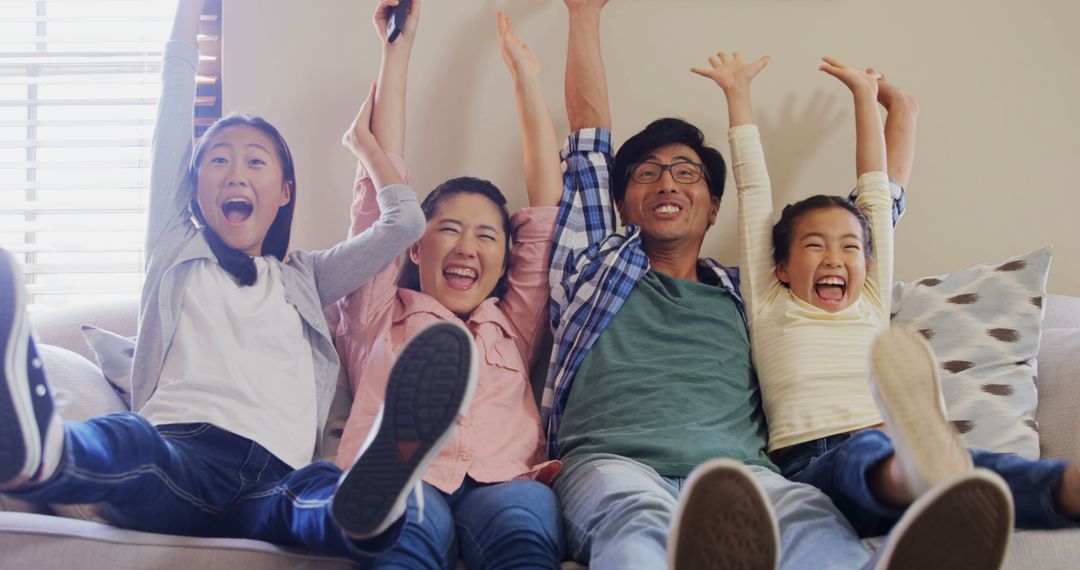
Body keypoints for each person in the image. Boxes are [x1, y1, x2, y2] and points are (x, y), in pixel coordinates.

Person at [0, 0, 476, 562]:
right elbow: (175, 101)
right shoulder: (175, 248)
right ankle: (46, 450)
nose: (235, 171)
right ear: (195, 188)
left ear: (284, 191)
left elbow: (405, 223)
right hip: (185, 450)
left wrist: (367, 146)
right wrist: (188, 13)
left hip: (278, 472)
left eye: (255, 162)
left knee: (317, 495)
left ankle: (368, 508)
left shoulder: (305, 277)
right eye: (217, 160)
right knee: (134, 447)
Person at [544, 1, 1011, 568]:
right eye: (646, 172)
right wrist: (583, 12)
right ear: (621, 203)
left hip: (745, 477)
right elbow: (589, 135)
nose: (667, 181)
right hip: (614, 465)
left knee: (816, 530)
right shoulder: (592, 266)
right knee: (636, 523)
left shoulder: (753, 294)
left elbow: (867, 228)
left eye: (686, 172)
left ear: (714, 206)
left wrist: (901, 115)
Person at [702, 45, 1080, 543]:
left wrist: (864, 96)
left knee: (963, 464)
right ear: (783, 268)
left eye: (850, 247)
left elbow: (876, 192)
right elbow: (754, 192)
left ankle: (1064, 488)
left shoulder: (871, 300)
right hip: (807, 468)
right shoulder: (770, 303)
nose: (835, 258)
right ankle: (916, 476)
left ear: (868, 260)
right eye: (815, 245)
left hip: (882, 451)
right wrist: (737, 94)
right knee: (866, 456)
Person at [332, 2, 563, 567]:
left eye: (487, 236)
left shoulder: (512, 323)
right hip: (411, 478)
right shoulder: (378, 311)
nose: (466, 247)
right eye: (450, 230)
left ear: (506, 262)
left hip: (503, 479)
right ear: (416, 246)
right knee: (403, 535)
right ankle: (387, 484)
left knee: (526, 532)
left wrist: (527, 82)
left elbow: (547, 211)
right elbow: (383, 203)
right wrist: (398, 48)